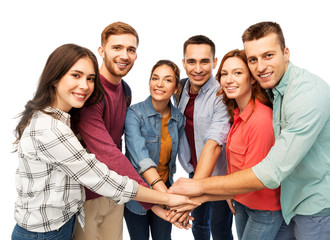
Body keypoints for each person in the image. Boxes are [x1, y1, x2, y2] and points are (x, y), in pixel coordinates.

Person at [169, 21, 330, 240]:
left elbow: (270, 172)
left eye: (268, 55)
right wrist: (221, 193)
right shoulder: (268, 93)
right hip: (289, 198)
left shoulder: (307, 96)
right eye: (253, 59)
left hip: (317, 204)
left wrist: (196, 188)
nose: (260, 67)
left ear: (286, 53)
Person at [11, 44, 198, 240]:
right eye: (76, 75)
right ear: (55, 78)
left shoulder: (64, 118)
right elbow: (101, 176)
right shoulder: (50, 129)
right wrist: (166, 198)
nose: (84, 86)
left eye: (90, 79)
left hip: (63, 224)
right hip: (43, 233)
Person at [72, 22, 164, 240]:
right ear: (102, 51)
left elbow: (119, 143)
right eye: (117, 48)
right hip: (85, 194)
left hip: (115, 191)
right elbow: (107, 152)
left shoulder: (125, 90)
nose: (124, 55)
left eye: (130, 50)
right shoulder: (90, 91)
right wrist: (152, 197)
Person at [215, 49, 282, 239]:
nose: (229, 80)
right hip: (241, 202)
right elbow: (235, 161)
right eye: (224, 74)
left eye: (238, 73)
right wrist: (231, 194)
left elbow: (254, 178)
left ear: (252, 78)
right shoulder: (237, 113)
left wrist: (203, 192)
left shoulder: (261, 119)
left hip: (263, 211)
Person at [175, 35, 233, 240]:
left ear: (214, 62)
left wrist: (190, 193)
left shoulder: (222, 93)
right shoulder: (180, 89)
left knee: (220, 230)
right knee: (199, 225)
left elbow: (215, 141)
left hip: (219, 175)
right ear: (183, 63)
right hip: (194, 170)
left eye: (204, 61)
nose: (197, 69)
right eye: (191, 61)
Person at [123, 60, 186, 240]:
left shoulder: (178, 119)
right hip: (138, 192)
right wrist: (168, 198)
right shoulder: (134, 114)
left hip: (165, 187)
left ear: (176, 88)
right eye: (155, 78)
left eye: (167, 80)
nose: (159, 84)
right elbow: (139, 156)